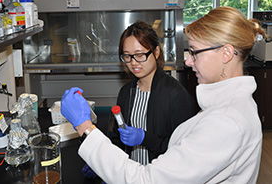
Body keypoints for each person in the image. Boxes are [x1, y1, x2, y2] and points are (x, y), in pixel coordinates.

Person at [61, 6, 266, 184]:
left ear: (226, 54)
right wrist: (102, 157)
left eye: (194, 51)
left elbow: (147, 180)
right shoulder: (227, 107)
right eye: (127, 56)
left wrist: (85, 128)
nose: (187, 61)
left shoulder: (226, 122)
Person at [81, 21, 196, 178]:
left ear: (156, 52)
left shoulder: (175, 95)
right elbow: (116, 137)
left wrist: (146, 139)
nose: (133, 63)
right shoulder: (126, 92)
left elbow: (186, 151)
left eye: (140, 55)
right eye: (127, 56)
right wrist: (101, 160)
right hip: (129, 175)